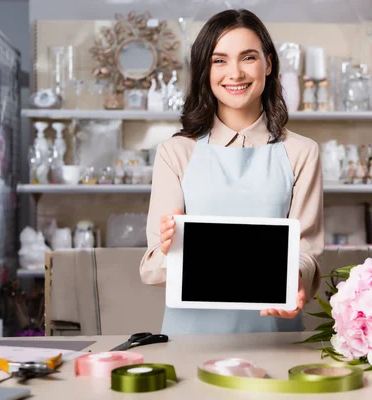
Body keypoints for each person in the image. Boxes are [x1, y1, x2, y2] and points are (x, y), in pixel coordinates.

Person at [139, 9, 324, 335]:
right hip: (192, 338)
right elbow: (151, 268)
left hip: (275, 333)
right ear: (204, 71)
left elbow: (305, 252)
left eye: (248, 57)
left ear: (268, 64)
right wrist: (170, 251)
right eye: (219, 60)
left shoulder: (302, 152)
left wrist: (296, 280)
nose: (235, 73)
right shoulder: (176, 152)